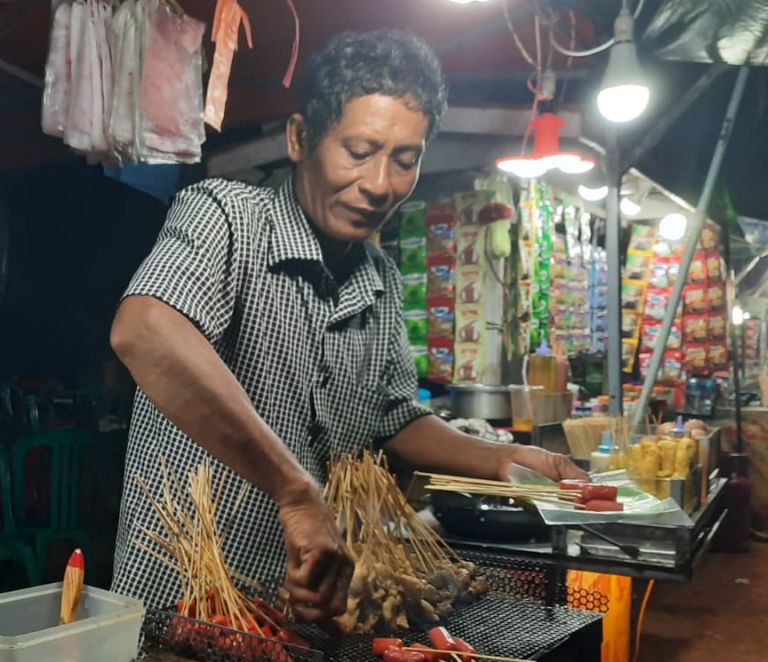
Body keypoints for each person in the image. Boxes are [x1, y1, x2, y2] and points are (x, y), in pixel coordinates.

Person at [108, 31, 586, 623]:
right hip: (186, 598)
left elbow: (392, 415)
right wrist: (295, 491)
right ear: (300, 137)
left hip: (303, 604)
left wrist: (498, 461)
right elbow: (145, 332)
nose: (380, 183)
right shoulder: (226, 217)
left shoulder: (380, 278)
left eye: (405, 160)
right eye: (358, 151)